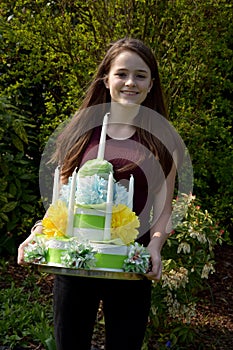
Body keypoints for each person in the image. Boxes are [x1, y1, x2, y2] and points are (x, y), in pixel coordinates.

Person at [18, 37, 181, 350]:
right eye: (121, 73)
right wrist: (38, 233)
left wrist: (156, 247)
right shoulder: (82, 131)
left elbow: (163, 210)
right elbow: (61, 201)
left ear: (151, 84)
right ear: (106, 79)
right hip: (76, 263)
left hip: (131, 264)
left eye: (140, 75)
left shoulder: (163, 140)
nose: (130, 82)